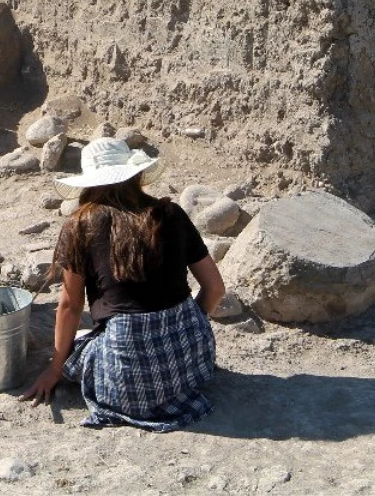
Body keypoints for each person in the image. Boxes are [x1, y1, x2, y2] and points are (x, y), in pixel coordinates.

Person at [20, 137, 225, 432]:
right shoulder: (172, 214)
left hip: (127, 386)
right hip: (192, 368)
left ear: (88, 183)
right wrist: (182, 327)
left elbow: (70, 305)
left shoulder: (81, 225)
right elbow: (215, 288)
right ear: (136, 175)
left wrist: (55, 369)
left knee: (81, 343)